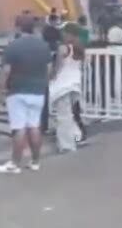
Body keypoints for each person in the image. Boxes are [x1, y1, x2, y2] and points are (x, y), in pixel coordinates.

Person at [0, 20, 52, 174]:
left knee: (19, 127)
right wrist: (43, 84)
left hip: (18, 91)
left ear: (19, 28)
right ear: (33, 29)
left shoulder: (13, 46)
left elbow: (6, 71)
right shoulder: (43, 46)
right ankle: (35, 161)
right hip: (38, 91)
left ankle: (15, 163)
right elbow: (49, 69)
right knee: (34, 126)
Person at [49, 24, 85, 153]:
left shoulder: (63, 48)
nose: (62, 34)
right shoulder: (79, 48)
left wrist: (50, 77)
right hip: (74, 83)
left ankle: (67, 145)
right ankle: (77, 136)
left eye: (64, 32)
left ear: (69, 33)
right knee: (68, 114)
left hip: (63, 84)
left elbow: (57, 68)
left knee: (63, 116)